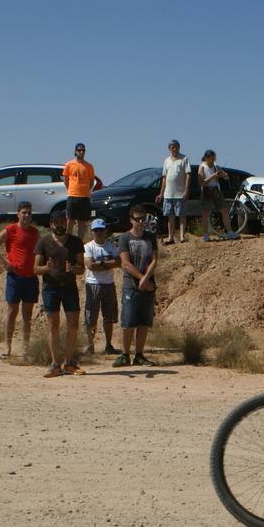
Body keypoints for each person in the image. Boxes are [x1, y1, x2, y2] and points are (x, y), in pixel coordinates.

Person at [33, 211, 85, 378]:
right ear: (51, 224)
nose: (59, 225)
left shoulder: (76, 242)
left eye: (62, 222)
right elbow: (35, 269)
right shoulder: (44, 242)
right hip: (51, 289)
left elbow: (82, 268)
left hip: (70, 288)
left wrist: (73, 269)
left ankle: (69, 363)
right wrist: (47, 268)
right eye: (56, 222)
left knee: (73, 325)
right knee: (53, 325)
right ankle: (55, 364)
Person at [0, 201, 39, 361]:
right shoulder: (11, 229)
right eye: (24, 212)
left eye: (29, 213)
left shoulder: (35, 232)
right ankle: (8, 347)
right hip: (15, 277)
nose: (27, 216)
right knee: (11, 312)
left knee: (27, 315)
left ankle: (26, 347)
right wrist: (5, 264)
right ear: (18, 213)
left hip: (31, 277)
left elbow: (39, 251)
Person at [115, 208, 160, 367]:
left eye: (143, 219)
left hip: (148, 285)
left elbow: (155, 259)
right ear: (131, 220)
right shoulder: (124, 238)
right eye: (138, 219)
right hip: (131, 285)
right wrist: (141, 279)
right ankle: (125, 354)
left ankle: (139, 354)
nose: (141, 222)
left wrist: (147, 279)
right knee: (128, 322)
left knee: (144, 322)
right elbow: (126, 263)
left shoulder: (150, 237)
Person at [82, 219, 121, 356]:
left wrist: (100, 263)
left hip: (108, 284)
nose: (99, 232)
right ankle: (90, 345)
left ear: (105, 231)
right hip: (93, 284)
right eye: (96, 230)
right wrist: (107, 263)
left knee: (109, 316)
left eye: (101, 230)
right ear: (92, 231)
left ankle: (108, 345)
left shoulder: (111, 245)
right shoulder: (88, 246)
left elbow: (118, 262)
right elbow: (90, 265)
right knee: (91, 316)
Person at [198, 149, 237, 242]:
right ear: (207, 158)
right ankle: (205, 234)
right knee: (206, 213)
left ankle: (230, 232)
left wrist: (223, 175)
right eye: (211, 159)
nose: (213, 161)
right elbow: (201, 182)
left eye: (214, 158)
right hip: (206, 190)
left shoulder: (216, 166)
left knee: (224, 210)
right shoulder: (202, 167)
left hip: (216, 190)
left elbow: (226, 176)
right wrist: (213, 176)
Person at [157, 140, 190, 245]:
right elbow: (164, 178)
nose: (174, 149)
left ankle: (181, 236)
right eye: (172, 147)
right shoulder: (166, 160)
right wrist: (161, 193)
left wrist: (186, 190)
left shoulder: (184, 159)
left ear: (179, 147)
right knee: (170, 216)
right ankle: (170, 237)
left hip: (180, 194)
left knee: (181, 215)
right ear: (169, 149)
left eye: (175, 147)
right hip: (168, 194)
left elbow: (188, 175)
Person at [62, 143, 96, 241]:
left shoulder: (89, 166)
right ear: (75, 151)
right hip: (72, 196)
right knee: (70, 220)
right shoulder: (69, 164)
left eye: (83, 150)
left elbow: (91, 181)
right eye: (79, 150)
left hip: (84, 197)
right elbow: (66, 179)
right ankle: (68, 240)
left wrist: (86, 190)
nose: (81, 152)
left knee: (82, 221)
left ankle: (79, 242)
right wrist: (71, 189)